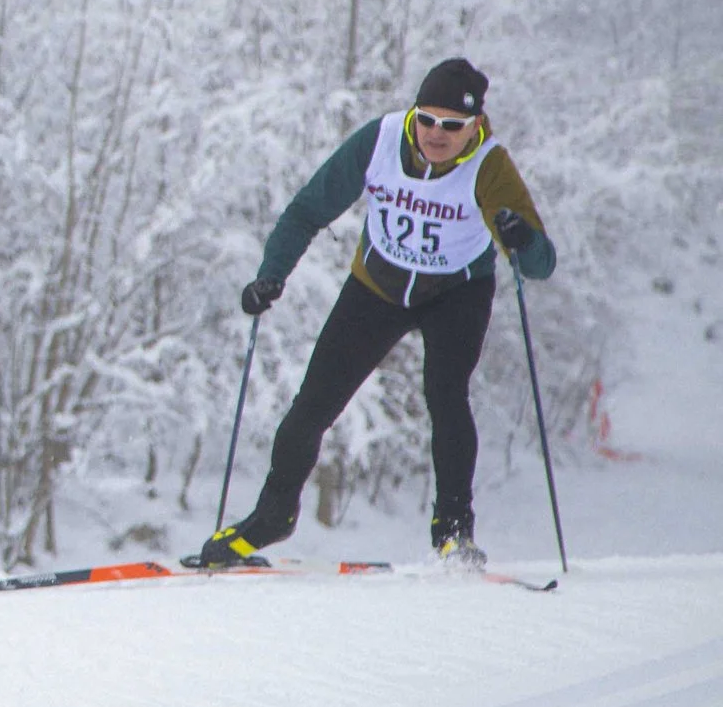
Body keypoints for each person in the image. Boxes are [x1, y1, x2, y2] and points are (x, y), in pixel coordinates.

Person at [196, 57, 556, 571]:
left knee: (446, 396)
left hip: (455, 292)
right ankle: (273, 517)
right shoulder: (382, 140)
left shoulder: (490, 165)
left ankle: (454, 533)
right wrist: (271, 275)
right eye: (427, 119)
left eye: (452, 125)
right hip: (378, 286)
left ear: (475, 125)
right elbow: (307, 210)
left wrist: (522, 241)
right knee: (313, 404)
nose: (436, 133)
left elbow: (540, 265)